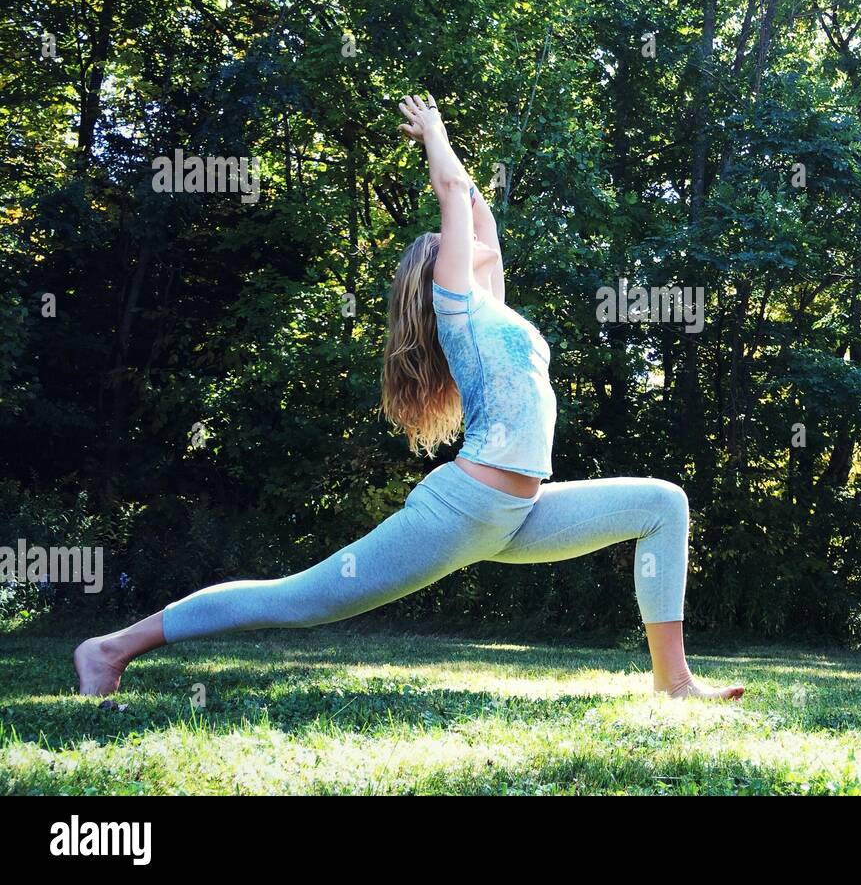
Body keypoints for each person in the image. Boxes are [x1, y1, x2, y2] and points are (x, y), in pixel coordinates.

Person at [74, 93, 744, 703]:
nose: (474, 243)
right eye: (455, 242)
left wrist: (463, 175)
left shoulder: (490, 309)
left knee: (662, 503)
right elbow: (454, 193)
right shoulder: (456, 305)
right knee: (302, 600)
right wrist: (435, 134)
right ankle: (110, 648)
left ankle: (673, 681)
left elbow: (473, 207)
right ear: (439, 266)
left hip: (519, 510)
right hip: (465, 507)